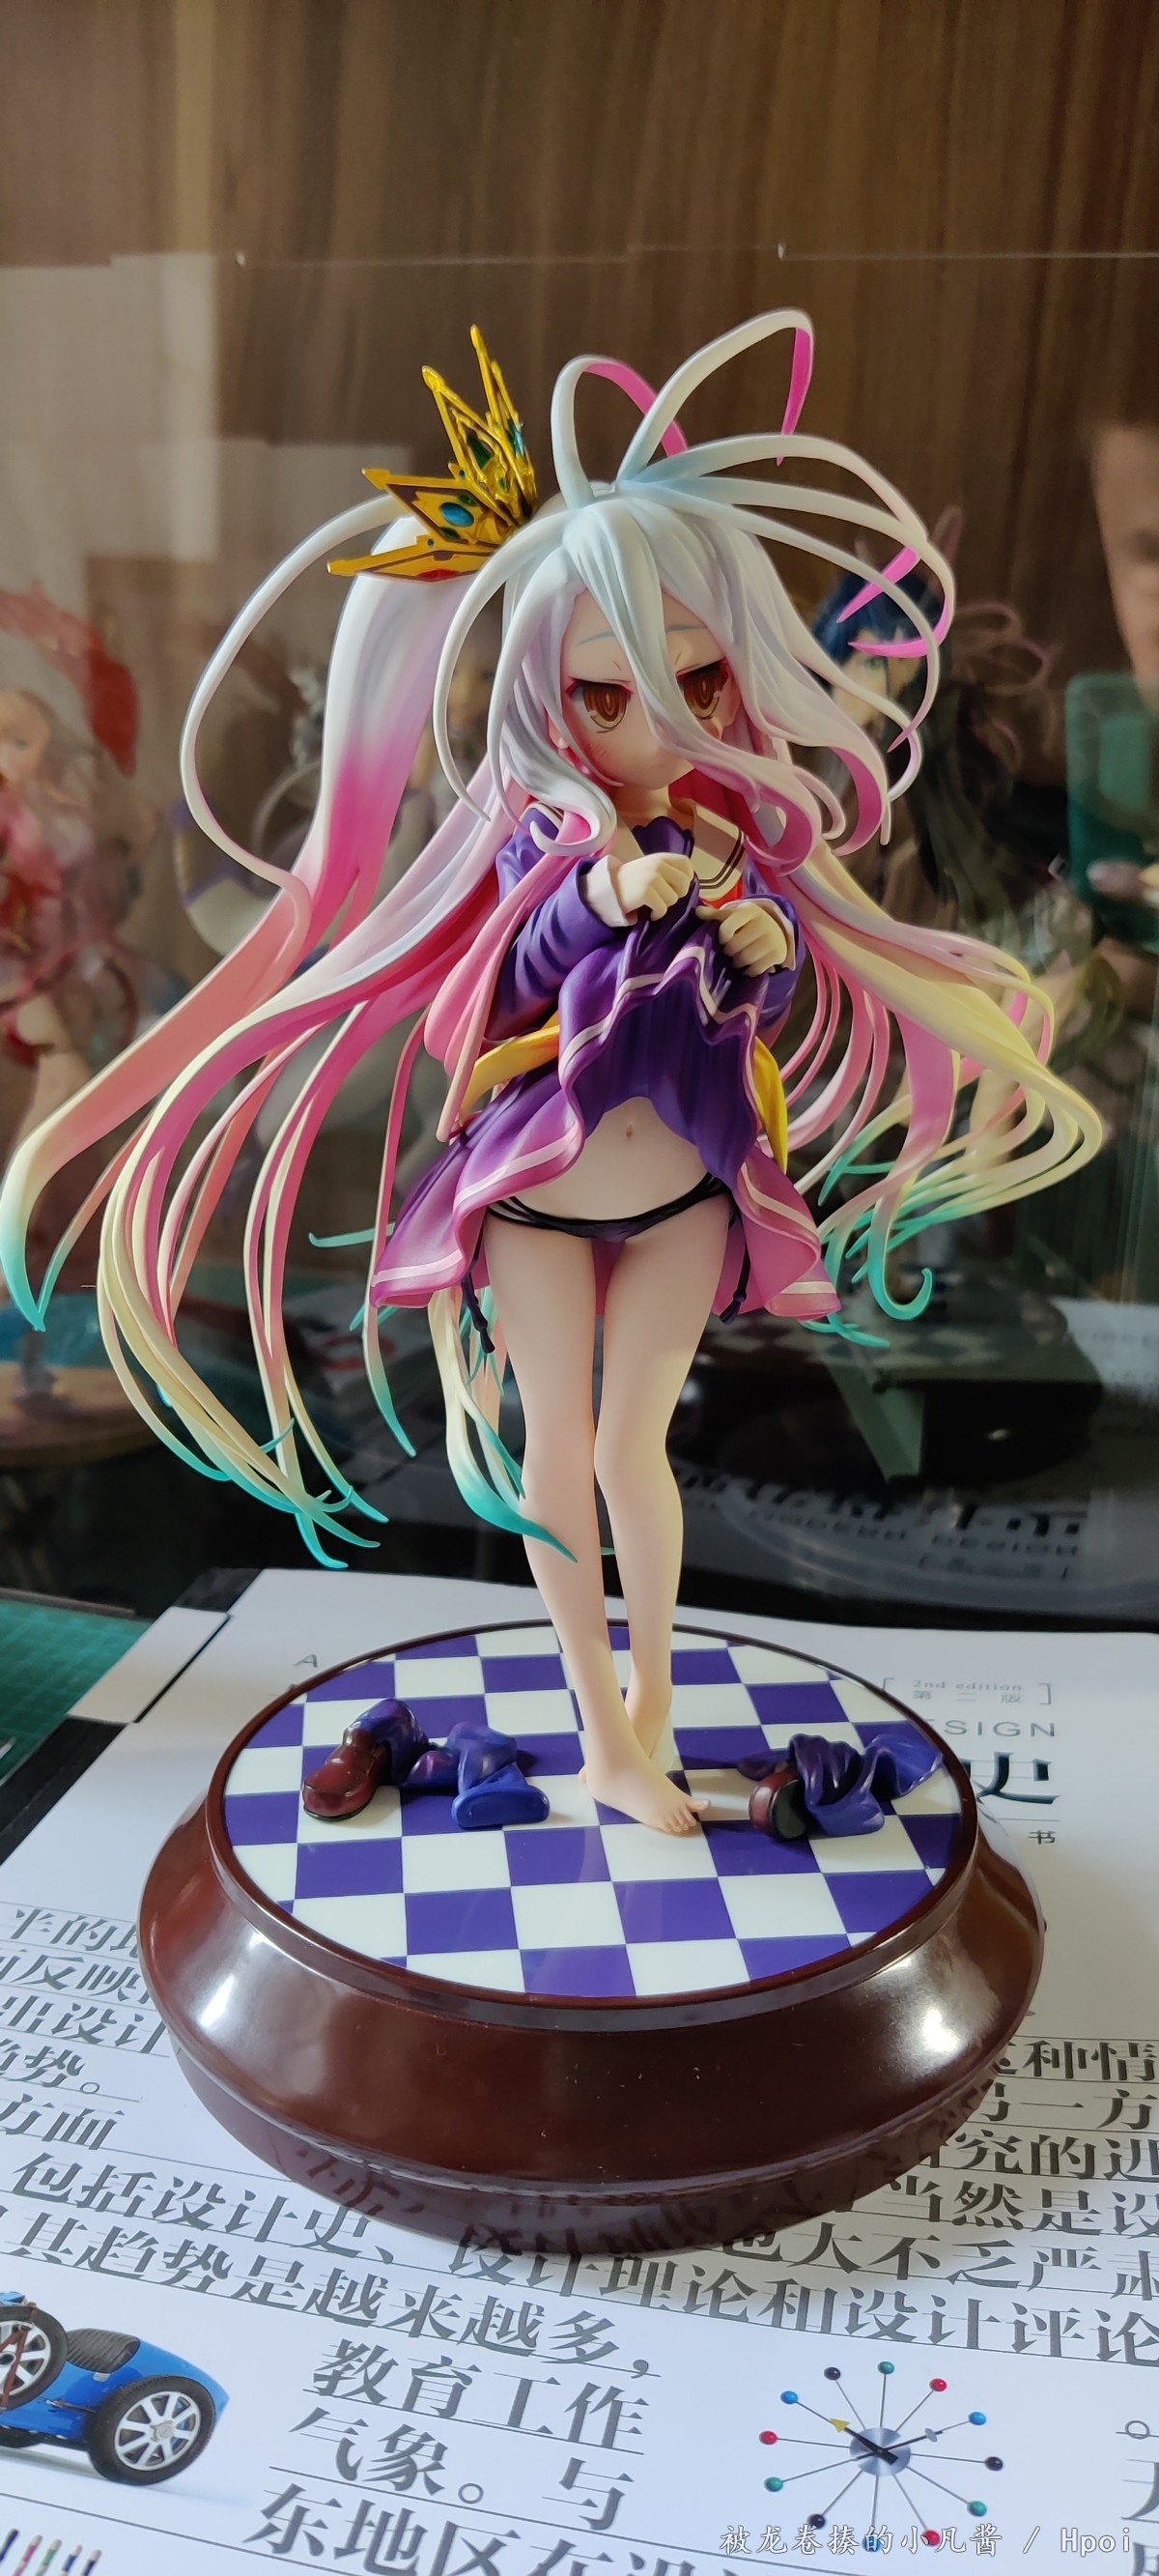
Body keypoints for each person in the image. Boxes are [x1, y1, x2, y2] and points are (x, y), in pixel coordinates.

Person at [0, 312, 1101, 1830]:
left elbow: (758, 987)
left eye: (698, 684)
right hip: (536, 1192)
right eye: (608, 696)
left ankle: (646, 1708)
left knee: (635, 1447)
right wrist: (602, 897)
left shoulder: (731, 839)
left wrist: (760, 946)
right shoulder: (535, 840)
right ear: (545, 695)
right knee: (558, 1452)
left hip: (689, 1191)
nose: (660, 723)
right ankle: (600, 1725)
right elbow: (507, 970)